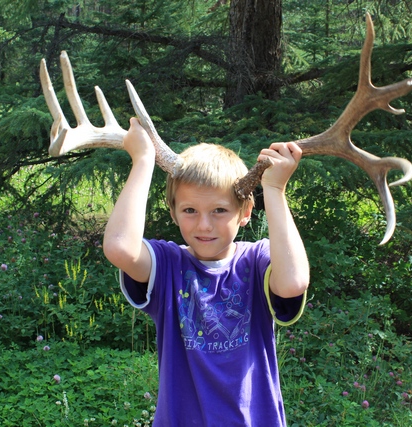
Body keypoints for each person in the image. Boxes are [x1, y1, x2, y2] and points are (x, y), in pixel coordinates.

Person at [103, 118, 310, 426]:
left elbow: (293, 282)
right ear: (173, 212)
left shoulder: (257, 260)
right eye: (190, 210)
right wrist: (143, 159)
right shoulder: (168, 265)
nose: (204, 225)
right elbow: (120, 247)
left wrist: (275, 189)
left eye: (219, 210)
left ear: (245, 212)